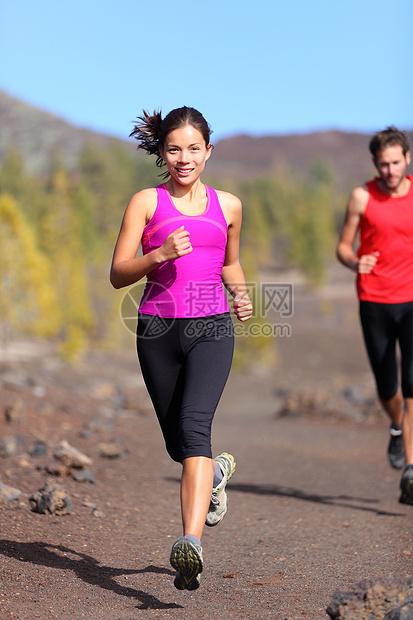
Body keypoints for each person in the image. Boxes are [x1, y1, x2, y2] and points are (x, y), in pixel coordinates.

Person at [110, 106, 253, 589]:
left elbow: (228, 263)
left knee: (195, 429)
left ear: (208, 152)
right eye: (174, 149)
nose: (184, 158)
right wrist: (158, 255)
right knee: (179, 444)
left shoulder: (228, 205)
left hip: (211, 327)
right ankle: (214, 476)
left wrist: (241, 292)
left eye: (194, 148)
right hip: (156, 331)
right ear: (162, 153)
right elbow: (117, 274)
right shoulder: (146, 203)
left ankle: (189, 542)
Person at [337, 126, 413, 505]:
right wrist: (355, 261)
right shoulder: (362, 197)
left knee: (412, 383)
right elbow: (342, 247)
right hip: (374, 300)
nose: (390, 170)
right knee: (388, 387)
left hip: (412, 299)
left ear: (407, 159)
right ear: (374, 164)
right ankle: (396, 425)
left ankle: (411, 471)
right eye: (383, 164)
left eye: (396, 162)